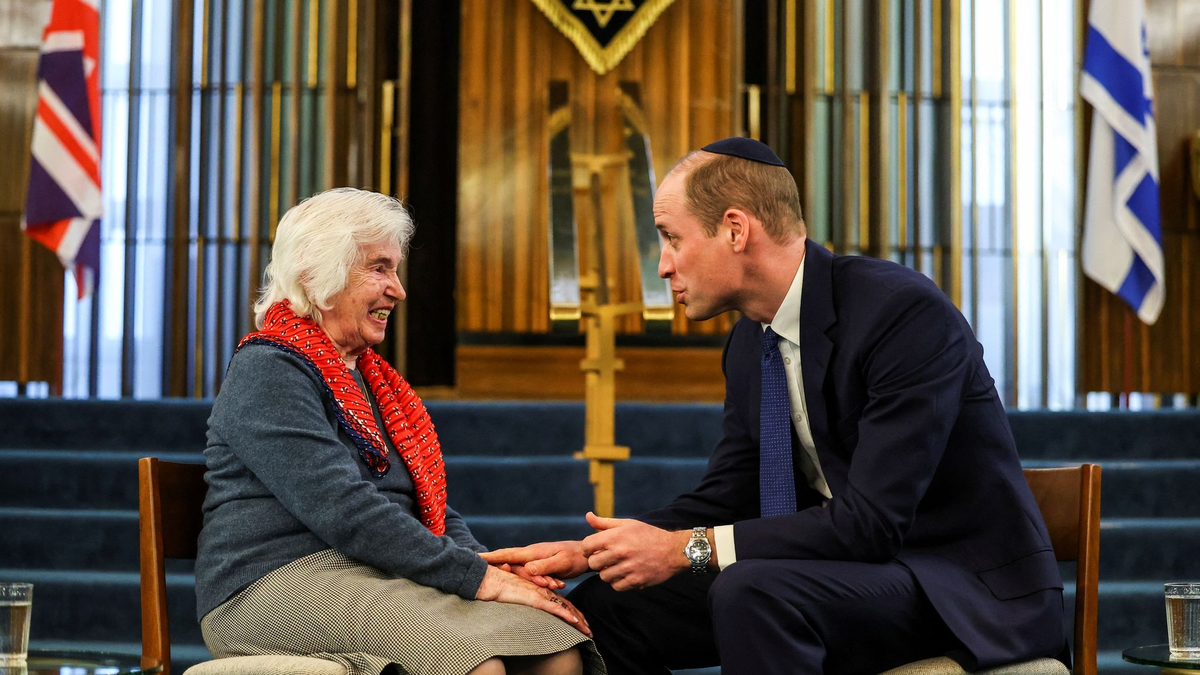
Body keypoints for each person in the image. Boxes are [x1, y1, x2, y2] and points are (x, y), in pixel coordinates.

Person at [483, 138, 1067, 675]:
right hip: (839, 576)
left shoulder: (901, 314)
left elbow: (872, 524)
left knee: (753, 590)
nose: (663, 266)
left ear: (735, 230)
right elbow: (727, 495)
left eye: (672, 236)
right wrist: (592, 553)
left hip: (952, 585)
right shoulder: (749, 343)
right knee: (611, 605)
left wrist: (683, 549)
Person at [195, 188, 603, 675]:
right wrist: (476, 579)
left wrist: (482, 562)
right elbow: (344, 509)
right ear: (317, 274)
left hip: (371, 571)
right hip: (270, 585)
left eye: (395, 268)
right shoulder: (269, 369)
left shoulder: (372, 380)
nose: (399, 289)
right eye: (379, 268)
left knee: (555, 648)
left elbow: (420, 500)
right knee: (476, 663)